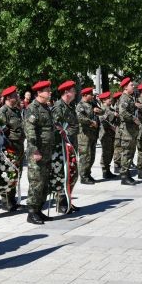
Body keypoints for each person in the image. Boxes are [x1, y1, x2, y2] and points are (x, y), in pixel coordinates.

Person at [23, 80, 55, 224]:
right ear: (39, 93)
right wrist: (35, 150)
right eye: (47, 90)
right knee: (36, 181)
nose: (50, 92)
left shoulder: (46, 107)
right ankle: (31, 212)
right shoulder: (33, 108)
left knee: (44, 181)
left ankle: (39, 210)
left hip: (47, 150)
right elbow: (30, 131)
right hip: (37, 151)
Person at [0, 86, 25, 211]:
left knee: (16, 174)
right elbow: (0, 131)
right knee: (8, 173)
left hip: (19, 146)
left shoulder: (16, 110)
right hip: (9, 147)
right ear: (8, 97)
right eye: (15, 95)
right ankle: (5, 200)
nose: (17, 97)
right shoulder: (3, 112)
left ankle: (12, 199)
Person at [51, 80, 80, 212]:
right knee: (62, 174)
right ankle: (61, 203)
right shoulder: (58, 107)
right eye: (73, 91)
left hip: (70, 145)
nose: (75, 93)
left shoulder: (69, 106)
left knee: (72, 173)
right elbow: (57, 127)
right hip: (62, 147)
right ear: (66, 92)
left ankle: (67, 200)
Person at [117, 77, 140, 185]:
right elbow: (122, 112)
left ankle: (127, 174)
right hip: (126, 130)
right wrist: (134, 118)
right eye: (131, 85)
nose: (133, 86)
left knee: (130, 152)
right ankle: (124, 176)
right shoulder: (124, 98)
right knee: (126, 152)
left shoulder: (130, 98)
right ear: (125, 87)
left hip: (131, 130)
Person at [76, 87, 100, 185]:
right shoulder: (80, 105)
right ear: (85, 95)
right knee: (85, 156)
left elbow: (102, 111)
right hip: (84, 135)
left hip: (93, 134)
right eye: (90, 94)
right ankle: (83, 176)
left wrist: (97, 110)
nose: (92, 96)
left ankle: (88, 173)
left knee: (92, 156)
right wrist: (91, 122)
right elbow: (80, 118)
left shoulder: (92, 103)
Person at [96, 91, 118, 180]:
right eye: (108, 98)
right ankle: (105, 171)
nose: (110, 99)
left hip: (111, 133)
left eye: (110, 98)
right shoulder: (102, 109)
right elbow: (102, 120)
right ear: (104, 100)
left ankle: (108, 170)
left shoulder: (111, 109)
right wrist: (112, 126)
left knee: (111, 152)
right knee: (106, 152)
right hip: (105, 134)